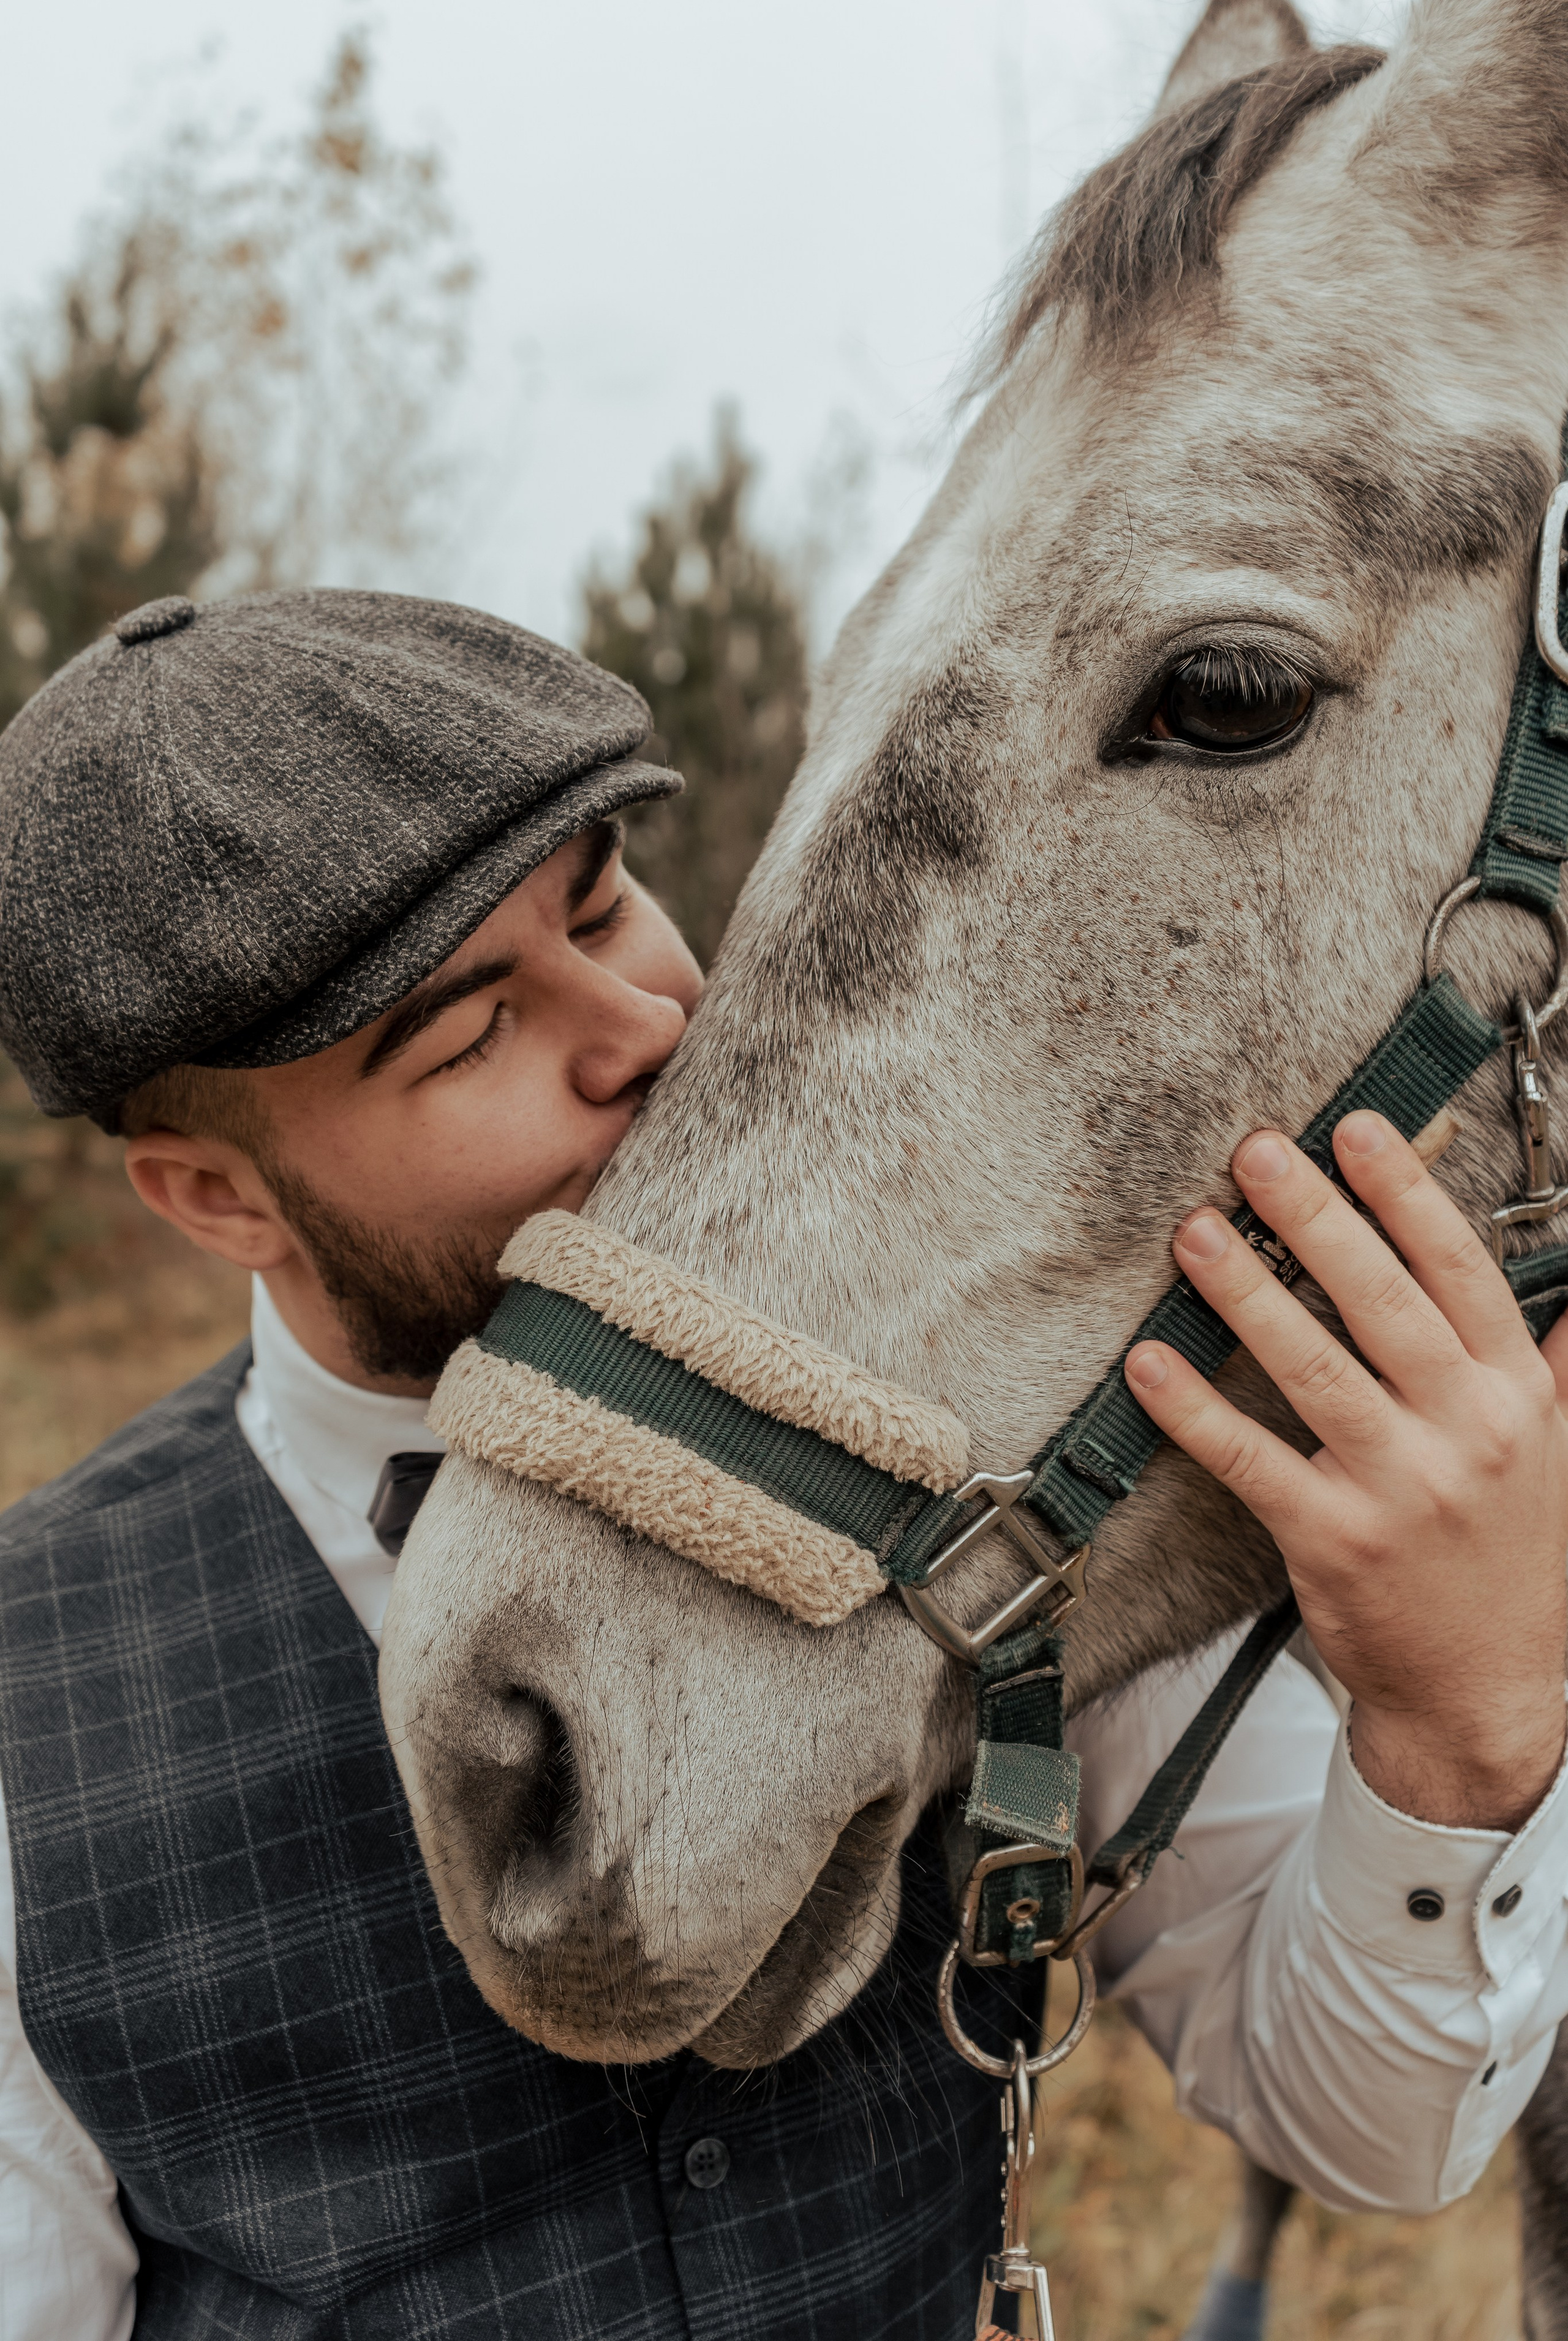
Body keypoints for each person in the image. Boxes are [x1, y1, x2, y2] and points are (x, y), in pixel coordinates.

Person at [0, 587, 1564, 2341]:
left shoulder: (988, 1448)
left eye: (606, 904)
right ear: (217, 1197)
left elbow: (1370, 2125)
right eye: (471, 1034)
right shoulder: (24, 1718)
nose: (651, 1029)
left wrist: (1462, 1720)